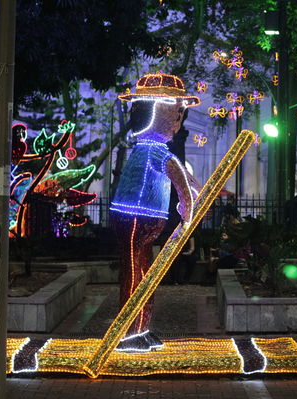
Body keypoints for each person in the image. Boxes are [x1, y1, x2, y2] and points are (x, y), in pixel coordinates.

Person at [110, 72, 201, 352]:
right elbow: (181, 181)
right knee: (136, 275)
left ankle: (141, 329)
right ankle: (129, 333)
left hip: (143, 222)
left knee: (144, 274)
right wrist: (188, 205)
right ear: (156, 111)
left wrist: (198, 192)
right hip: (135, 219)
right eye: (176, 114)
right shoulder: (153, 152)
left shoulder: (155, 151)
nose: (178, 123)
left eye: (180, 115)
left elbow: (187, 179)